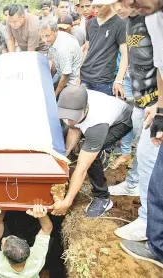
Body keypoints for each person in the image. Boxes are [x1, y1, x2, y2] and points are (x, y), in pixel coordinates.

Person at [117, 0, 163, 268]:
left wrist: (158, 107)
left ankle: (149, 224)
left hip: (151, 103)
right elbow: (159, 65)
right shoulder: (137, 18)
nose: (122, 6)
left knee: (150, 162)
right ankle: (135, 189)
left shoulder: (152, 17)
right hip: (145, 101)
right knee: (144, 158)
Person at [52, 86, 133, 217]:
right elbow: (74, 127)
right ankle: (71, 166)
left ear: (86, 107)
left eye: (72, 117)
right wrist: (62, 157)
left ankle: (102, 198)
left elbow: (82, 169)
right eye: (66, 116)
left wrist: (67, 201)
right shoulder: (70, 101)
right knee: (67, 133)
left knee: (91, 157)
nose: (68, 120)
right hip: (94, 118)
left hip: (121, 121)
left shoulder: (97, 125)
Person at [0, 202, 52, 278]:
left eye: (3, 242)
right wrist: (42, 215)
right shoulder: (36, 260)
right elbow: (47, 229)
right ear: (26, 243)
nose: (3, 238)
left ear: (3, 254)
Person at [80, 1, 127, 97]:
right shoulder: (91, 22)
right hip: (84, 77)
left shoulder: (120, 23)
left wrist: (119, 80)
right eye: (94, 7)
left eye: (99, 7)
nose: (95, 10)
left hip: (103, 81)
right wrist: (78, 72)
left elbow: (125, 54)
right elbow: (87, 48)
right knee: (84, 110)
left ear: (109, 4)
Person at [40, 18, 83, 97]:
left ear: (56, 31)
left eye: (47, 36)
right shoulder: (56, 37)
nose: (44, 40)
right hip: (63, 75)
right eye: (42, 36)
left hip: (71, 84)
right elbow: (55, 61)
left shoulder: (63, 49)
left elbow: (66, 75)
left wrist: (55, 94)